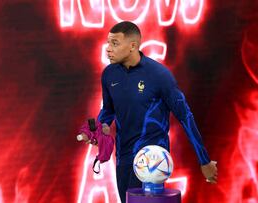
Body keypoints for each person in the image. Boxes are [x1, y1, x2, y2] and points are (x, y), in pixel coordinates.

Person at [93, 21, 218, 203]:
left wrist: (204, 161)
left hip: (152, 159)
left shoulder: (159, 75)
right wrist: (98, 128)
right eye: (108, 43)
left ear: (132, 46)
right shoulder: (109, 74)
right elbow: (108, 110)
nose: (108, 49)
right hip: (123, 156)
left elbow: (185, 116)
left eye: (115, 43)